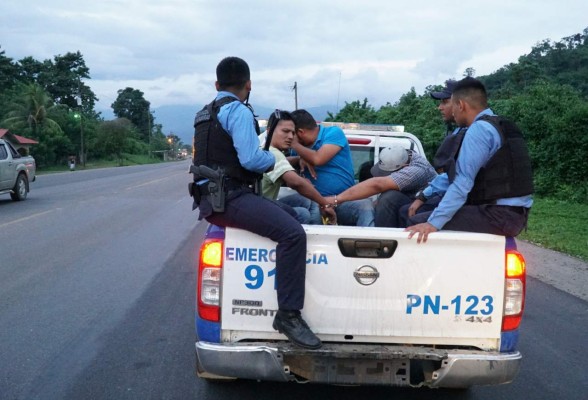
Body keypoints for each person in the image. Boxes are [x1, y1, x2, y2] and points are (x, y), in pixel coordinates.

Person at [190, 57, 321, 349]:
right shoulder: (236, 110)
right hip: (232, 198)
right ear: (248, 85)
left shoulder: (204, 113)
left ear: (216, 85)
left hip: (214, 199)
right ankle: (288, 315)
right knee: (293, 233)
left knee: (289, 213)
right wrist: (271, 159)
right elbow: (250, 159)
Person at [405, 77, 534, 243]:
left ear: (461, 105)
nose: (452, 112)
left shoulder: (478, 131)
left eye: (452, 105)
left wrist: (432, 223)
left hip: (498, 215)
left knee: (415, 223)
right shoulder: (500, 124)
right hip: (514, 213)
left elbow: (461, 183)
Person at [289, 109, 375, 226]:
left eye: (291, 134)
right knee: (310, 208)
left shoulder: (333, 133)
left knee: (364, 205)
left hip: (341, 202)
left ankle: (370, 242)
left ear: (300, 132)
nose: (289, 137)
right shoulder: (300, 149)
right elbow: (276, 161)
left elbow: (318, 159)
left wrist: (294, 144)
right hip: (314, 204)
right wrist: (298, 158)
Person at [399, 79, 465, 226]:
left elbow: (458, 179)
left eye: (445, 102)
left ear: (460, 104)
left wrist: (424, 199)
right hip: (454, 195)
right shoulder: (459, 131)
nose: (440, 107)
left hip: (464, 200)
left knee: (409, 214)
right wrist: (423, 196)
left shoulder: (471, 133)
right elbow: (448, 175)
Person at [325, 144, 437, 227]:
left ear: (404, 167)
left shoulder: (416, 171)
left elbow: (377, 185)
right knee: (377, 201)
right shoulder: (404, 154)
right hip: (411, 199)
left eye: (388, 174)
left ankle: (382, 238)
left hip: (423, 205)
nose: (385, 176)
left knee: (389, 197)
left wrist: (336, 199)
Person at [261, 109, 336, 224]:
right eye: (285, 131)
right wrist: (324, 203)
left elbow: (281, 162)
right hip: (261, 211)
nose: (290, 137)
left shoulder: (264, 147)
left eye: (293, 133)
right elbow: (296, 183)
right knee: (302, 213)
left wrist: (298, 159)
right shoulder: (274, 153)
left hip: (263, 203)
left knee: (307, 200)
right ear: (269, 131)